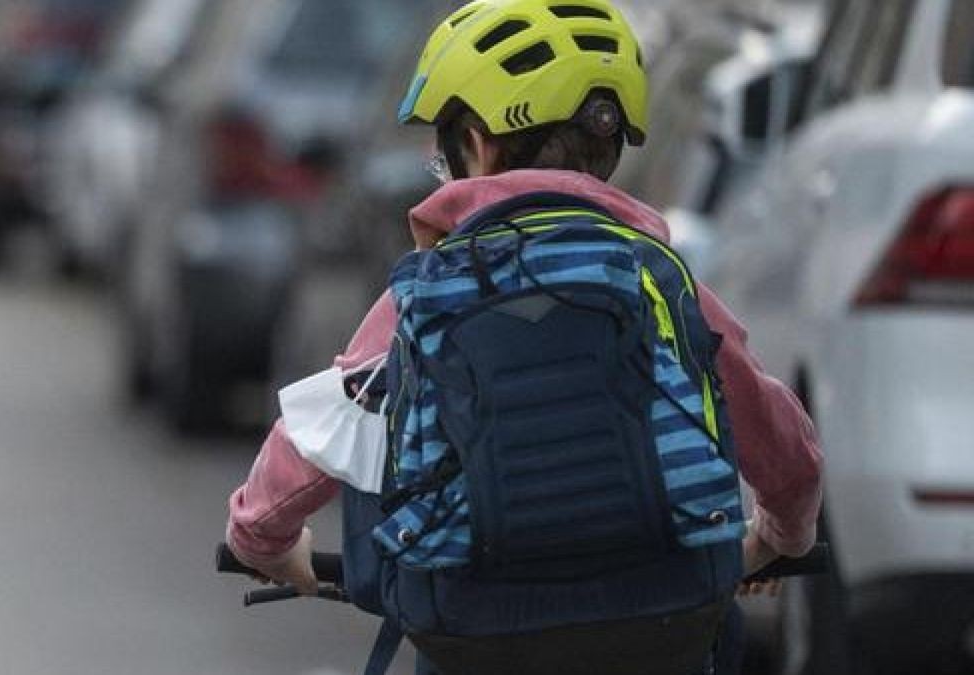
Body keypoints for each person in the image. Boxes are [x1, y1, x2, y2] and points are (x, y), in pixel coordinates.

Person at [227, 0, 823, 671]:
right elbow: (783, 446)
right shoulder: (660, 278)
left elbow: (310, 440)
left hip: (473, 627)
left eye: (443, 143)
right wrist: (777, 534)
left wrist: (266, 544)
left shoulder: (427, 289)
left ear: (476, 143)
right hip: (663, 616)